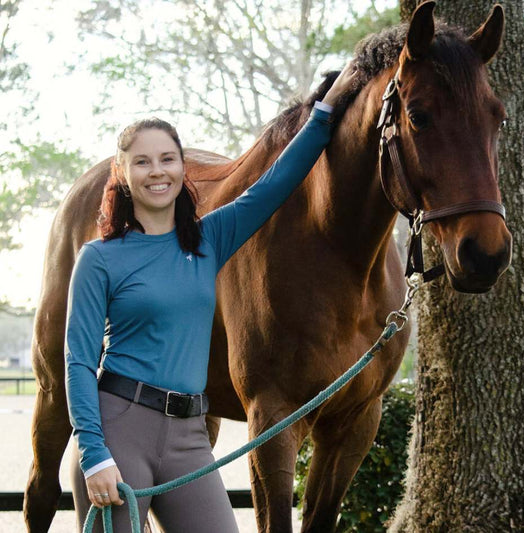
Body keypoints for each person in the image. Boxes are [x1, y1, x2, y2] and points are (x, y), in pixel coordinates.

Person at [65, 63, 357, 532]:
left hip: (188, 437)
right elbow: (78, 361)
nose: (156, 171)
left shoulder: (209, 239)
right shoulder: (99, 259)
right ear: (122, 173)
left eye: (167, 159)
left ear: (182, 168)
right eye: (142, 161)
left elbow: (276, 184)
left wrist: (324, 112)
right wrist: (94, 454)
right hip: (120, 431)